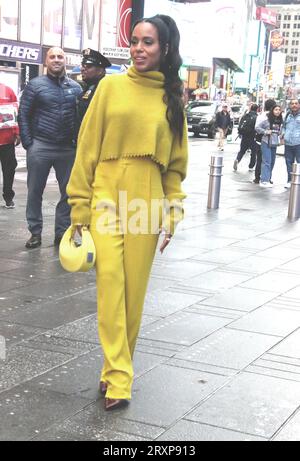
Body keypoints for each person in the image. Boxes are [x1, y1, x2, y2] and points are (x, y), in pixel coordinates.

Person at [67, 15, 188, 411]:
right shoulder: (110, 86)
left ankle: (113, 368)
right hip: (105, 193)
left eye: (148, 42)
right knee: (111, 287)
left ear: (165, 49)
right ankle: (120, 376)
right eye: (135, 41)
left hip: (147, 199)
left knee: (132, 296)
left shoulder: (172, 98)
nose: (139, 48)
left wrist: (172, 213)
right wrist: (78, 205)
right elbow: (86, 148)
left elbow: (175, 168)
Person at [18, 47, 82, 249]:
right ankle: (35, 232)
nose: (56, 60)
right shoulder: (35, 85)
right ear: (46, 61)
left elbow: (82, 118)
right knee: (35, 191)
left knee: (69, 193)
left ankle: (61, 234)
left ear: (66, 61)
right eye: (52, 56)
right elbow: (23, 115)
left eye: (60, 57)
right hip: (41, 146)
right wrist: (30, 144)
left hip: (67, 149)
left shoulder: (76, 87)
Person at [77, 48, 111, 126]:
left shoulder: (106, 90)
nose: (82, 69)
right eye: (83, 65)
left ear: (100, 71)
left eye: (88, 66)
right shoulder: (88, 88)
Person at [0, 83, 20, 208]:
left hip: (6, 140)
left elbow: (16, 114)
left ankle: (8, 197)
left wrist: (17, 133)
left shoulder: (7, 90)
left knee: (9, 169)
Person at [255, 104, 283, 188]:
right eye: (276, 109)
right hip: (266, 142)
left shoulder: (280, 120)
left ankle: (268, 178)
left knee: (272, 162)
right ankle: (264, 180)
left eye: (279, 110)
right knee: (267, 161)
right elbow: (257, 127)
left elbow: (281, 131)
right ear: (272, 111)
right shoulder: (267, 120)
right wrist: (265, 132)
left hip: (274, 143)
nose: (277, 111)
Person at [253, 99, 276, 185]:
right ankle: (267, 178)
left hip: (259, 140)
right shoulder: (269, 116)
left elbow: (256, 128)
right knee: (268, 160)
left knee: (260, 159)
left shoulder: (260, 116)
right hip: (267, 140)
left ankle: (257, 178)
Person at [233, 104, 259, 172]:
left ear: (250, 109)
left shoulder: (245, 116)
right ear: (257, 109)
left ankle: (237, 160)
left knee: (242, 151)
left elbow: (240, 124)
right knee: (253, 152)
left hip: (244, 136)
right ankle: (251, 166)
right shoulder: (256, 117)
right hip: (253, 137)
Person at [282, 99, 300, 189]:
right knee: (289, 163)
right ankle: (290, 180)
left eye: (296, 103)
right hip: (288, 143)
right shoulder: (287, 115)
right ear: (290, 105)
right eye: (292, 104)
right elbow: (284, 127)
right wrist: (283, 133)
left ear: (299, 105)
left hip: (298, 143)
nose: (294, 105)